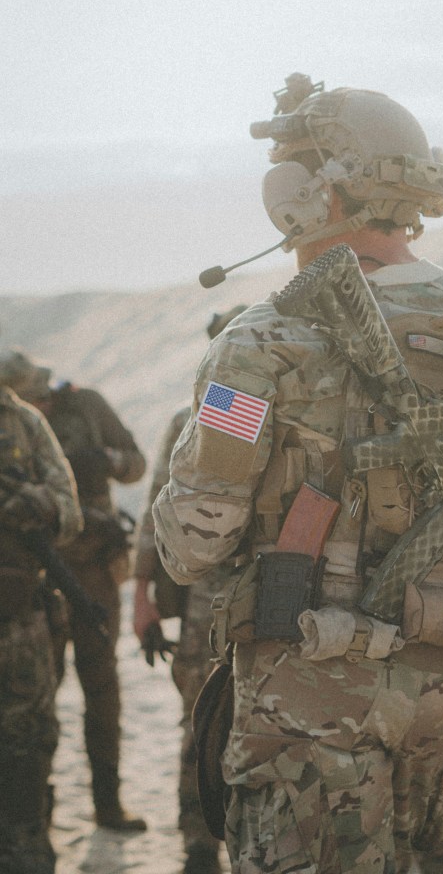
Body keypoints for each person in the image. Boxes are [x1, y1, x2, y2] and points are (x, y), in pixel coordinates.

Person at [153, 79, 443, 874]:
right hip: (437, 690)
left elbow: (198, 538)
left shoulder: (258, 343)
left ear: (312, 194)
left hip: (306, 691)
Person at [133, 305, 247, 874]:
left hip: (272, 594)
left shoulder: (291, 411)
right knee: (199, 722)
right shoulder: (200, 415)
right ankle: (199, 844)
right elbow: (155, 509)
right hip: (206, 600)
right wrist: (141, 598)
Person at [23, 362, 148, 832]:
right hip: (39, 578)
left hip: (95, 573)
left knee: (101, 688)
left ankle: (107, 803)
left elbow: (136, 464)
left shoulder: (88, 406)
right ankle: (34, 812)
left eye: (44, 400)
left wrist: (106, 461)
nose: (40, 408)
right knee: (37, 695)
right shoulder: (13, 423)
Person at [0, 350, 83, 873]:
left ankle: (26, 851)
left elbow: (69, 511)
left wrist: (38, 504)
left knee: (29, 741)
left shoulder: (25, 423)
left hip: (17, 619)